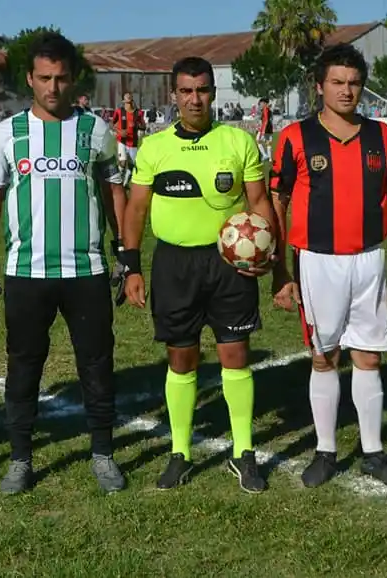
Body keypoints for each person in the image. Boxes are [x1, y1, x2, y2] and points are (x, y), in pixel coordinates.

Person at [0, 31, 128, 495]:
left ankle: (102, 453)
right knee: (23, 367)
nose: (53, 88)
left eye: (61, 78)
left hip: (87, 272)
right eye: (44, 78)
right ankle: (20, 458)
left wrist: (125, 253)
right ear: (29, 78)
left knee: (97, 366)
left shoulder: (96, 131)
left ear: (73, 78)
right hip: (27, 273)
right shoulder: (8, 132)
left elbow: (112, 191)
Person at [123, 56, 284, 494]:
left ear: (214, 93)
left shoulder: (238, 141)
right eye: (187, 91)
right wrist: (131, 265)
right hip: (175, 265)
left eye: (203, 90)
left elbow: (259, 201)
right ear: (173, 96)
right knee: (182, 359)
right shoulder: (154, 148)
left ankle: (243, 452)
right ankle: (180, 452)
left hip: (229, 266)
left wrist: (271, 253)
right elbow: (135, 209)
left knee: (235, 356)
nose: (195, 99)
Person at [269, 44, 387, 489]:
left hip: (370, 259)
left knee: (369, 356)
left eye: (354, 82)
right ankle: (326, 451)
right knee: (324, 355)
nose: (346, 90)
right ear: (319, 86)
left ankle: (373, 452)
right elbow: (278, 202)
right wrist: (280, 271)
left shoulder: (382, 135)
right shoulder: (295, 137)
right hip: (318, 262)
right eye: (337, 82)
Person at [112, 91, 145, 187]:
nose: (129, 97)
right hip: (122, 141)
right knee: (122, 162)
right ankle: (118, 181)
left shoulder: (138, 113)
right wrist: (119, 131)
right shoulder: (119, 111)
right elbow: (112, 124)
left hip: (133, 142)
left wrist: (139, 125)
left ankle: (125, 183)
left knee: (132, 165)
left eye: (130, 96)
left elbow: (143, 126)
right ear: (123, 100)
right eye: (126, 96)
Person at [256, 97, 273, 162]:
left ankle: (265, 155)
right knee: (268, 143)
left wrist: (263, 131)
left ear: (264, 103)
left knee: (258, 140)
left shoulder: (265, 109)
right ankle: (270, 158)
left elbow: (265, 120)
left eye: (261, 103)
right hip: (269, 128)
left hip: (264, 128)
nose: (260, 105)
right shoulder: (268, 110)